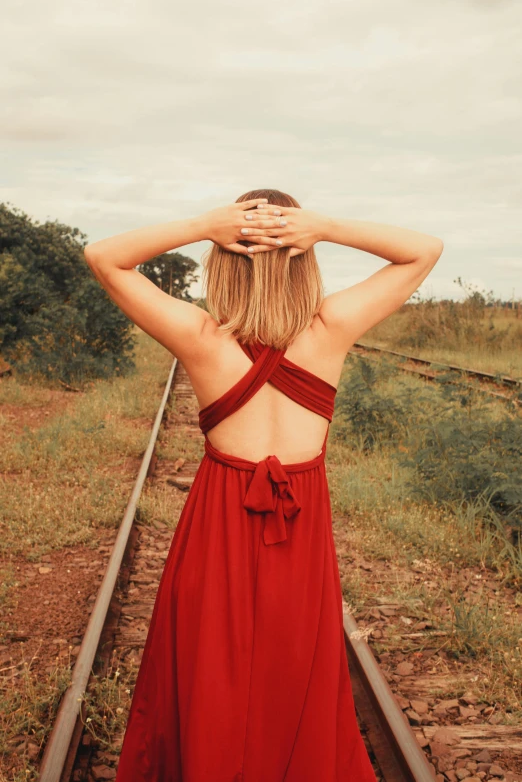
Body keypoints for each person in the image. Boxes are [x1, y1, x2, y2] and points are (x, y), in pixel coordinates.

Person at [84, 188, 443, 781]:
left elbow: (104, 256)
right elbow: (423, 251)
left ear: (221, 261)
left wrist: (204, 224)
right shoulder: (332, 327)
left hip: (216, 532)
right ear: (306, 264)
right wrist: (321, 226)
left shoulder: (200, 338)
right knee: (294, 675)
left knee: (211, 678)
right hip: (299, 535)